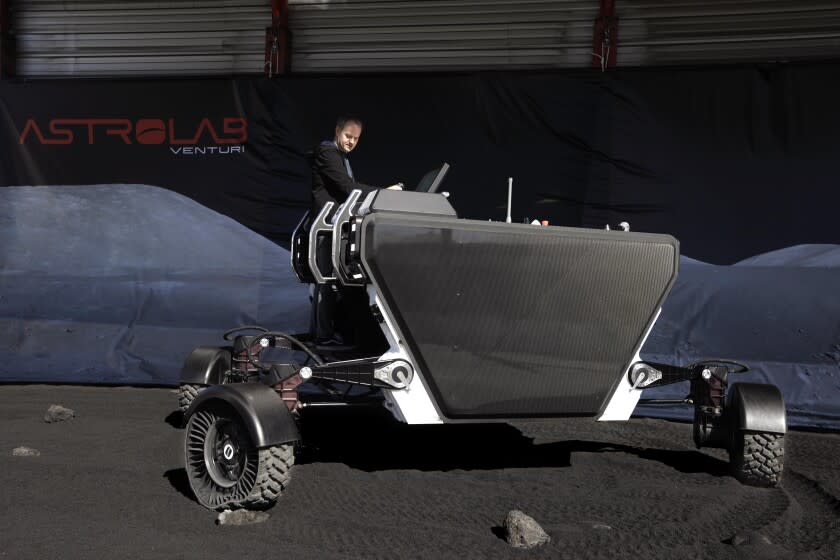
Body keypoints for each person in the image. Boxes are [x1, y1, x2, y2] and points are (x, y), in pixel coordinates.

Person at [309, 115, 401, 345]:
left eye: (356, 139)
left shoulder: (340, 157)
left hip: (335, 226)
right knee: (327, 281)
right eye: (348, 136)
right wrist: (384, 193)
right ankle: (323, 336)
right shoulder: (327, 152)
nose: (351, 141)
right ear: (337, 130)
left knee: (332, 282)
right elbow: (348, 188)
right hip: (327, 226)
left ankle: (326, 334)